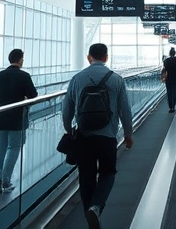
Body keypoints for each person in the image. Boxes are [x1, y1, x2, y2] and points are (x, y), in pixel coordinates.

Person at [62, 44, 134, 229]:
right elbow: (125, 110)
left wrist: (69, 129)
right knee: (108, 172)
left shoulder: (77, 79)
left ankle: (89, 213)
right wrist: (128, 134)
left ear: (89, 58)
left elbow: (67, 108)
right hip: (107, 136)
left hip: (84, 136)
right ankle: (96, 206)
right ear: (106, 58)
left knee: (86, 175)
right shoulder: (116, 80)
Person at [0, 48, 38, 195]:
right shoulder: (24, 76)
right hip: (16, 119)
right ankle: (5, 181)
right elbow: (33, 94)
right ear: (20, 60)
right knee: (14, 148)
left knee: (0, 149)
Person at [162, 48, 176, 113]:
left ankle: (170, 107)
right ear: (175, 53)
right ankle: (173, 107)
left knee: (169, 92)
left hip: (168, 78)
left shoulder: (166, 60)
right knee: (174, 92)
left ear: (169, 53)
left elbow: (165, 68)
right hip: (175, 78)